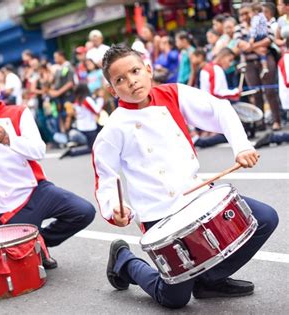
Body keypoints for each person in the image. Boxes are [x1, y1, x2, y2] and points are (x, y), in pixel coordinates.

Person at [93, 44, 278, 308]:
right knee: (175, 300)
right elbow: (105, 178)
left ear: (147, 69)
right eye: (120, 79)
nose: (131, 82)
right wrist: (115, 209)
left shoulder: (173, 94)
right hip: (159, 215)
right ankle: (125, 261)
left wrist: (242, 146)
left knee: (265, 219)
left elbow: (220, 109)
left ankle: (209, 281)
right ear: (112, 90)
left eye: (135, 71)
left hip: (198, 194)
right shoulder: (112, 129)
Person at [0, 69, 96, 269]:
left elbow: (38, 150)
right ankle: (30, 245)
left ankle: (40, 242)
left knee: (84, 212)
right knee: (18, 266)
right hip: (7, 204)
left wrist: (8, 139)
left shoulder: (19, 112)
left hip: (37, 189)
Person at [235, 3, 281, 131]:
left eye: (247, 13)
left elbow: (269, 39)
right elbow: (239, 43)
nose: (245, 16)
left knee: (270, 91)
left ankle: (276, 120)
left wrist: (251, 47)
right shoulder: (239, 28)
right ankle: (259, 122)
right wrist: (257, 48)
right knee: (255, 93)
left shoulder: (261, 22)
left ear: (253, 12)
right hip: (249, 64)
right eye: (242, 14)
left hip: (266, 61)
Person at [59, 83, 102, 159]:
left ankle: (73, 151)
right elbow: (97, 110)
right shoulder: (86, 100)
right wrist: (100, 100)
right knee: (93, 148)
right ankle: (73, 152)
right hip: (90, 128)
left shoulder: (77, 101)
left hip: (81, 127)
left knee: (92, 147)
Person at [248, 3, 270, 78]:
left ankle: (243, 61)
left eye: (250, 12)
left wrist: (252, 38)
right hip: (264, 36)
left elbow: (254, 28)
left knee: (249, 47)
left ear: (255, 11)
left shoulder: (256, 18)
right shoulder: (264, 17)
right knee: (262, 51)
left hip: (258, 36)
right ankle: (264, 67)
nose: (249, 15)